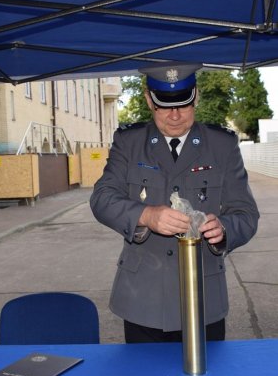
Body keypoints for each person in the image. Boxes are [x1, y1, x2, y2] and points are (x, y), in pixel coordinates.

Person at [90, 63, 259, 343]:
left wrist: (224, 229)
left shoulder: (222, 145)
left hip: (205, 299)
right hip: (142, 300)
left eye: (183, 104)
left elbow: (247, 213)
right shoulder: (129, 142)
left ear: (196, 97)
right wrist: (145, 215)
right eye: (165, 106)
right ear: (148, 99)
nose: (175, 115)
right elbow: (101, 198)